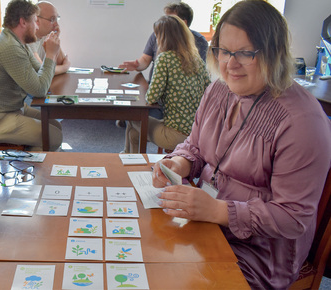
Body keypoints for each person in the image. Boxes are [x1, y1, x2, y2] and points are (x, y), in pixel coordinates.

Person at [152, 1, 331, 288]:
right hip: (206, 223)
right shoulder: (218, 89)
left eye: (245, 53)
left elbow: (292, 217)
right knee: (148, 255)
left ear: (275, 53)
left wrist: (217, 210)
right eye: (223, 50)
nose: (229, 64)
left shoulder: (302, 121)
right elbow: (194, 146)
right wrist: (178, 163)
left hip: (260, 253)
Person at [0, 0, 63, 151]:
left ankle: (32, 162)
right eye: (34, 21)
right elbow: (39, 90)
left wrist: (51, 54)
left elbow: (40, 71)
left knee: (55, 125)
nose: (37, 26)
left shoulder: (18, 42)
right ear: (23, 22)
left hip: (8, 110)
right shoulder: (10, 47)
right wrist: (51, 55)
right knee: (54, 136)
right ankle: (28, 171)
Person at [123, 15, 210, 154]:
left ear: (163, 38)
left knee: (133, 119)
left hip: (174, 133)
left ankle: (129, 161)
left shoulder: (165, 58)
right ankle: (129, 159)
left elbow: (151, 97)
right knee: (134, 134)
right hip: (196, 132)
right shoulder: (196, 58)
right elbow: (208, 90)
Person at [119, 2, 208, 82]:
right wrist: (137, 65)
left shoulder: (200, 41)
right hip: (156, 88)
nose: (165, 22)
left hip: (179, 94)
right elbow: (145, 59)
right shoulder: (157, 35)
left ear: (183, 23)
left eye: (170, 19)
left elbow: (199, 72)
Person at [29, 1, 71, 75]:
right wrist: (65, 67)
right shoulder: (28, 38)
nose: (56, 24)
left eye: (57, 19)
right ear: (36, 20)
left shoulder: (45, 35)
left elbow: (60, 63)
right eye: (52, 19)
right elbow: (42, 70)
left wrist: (55, 37)